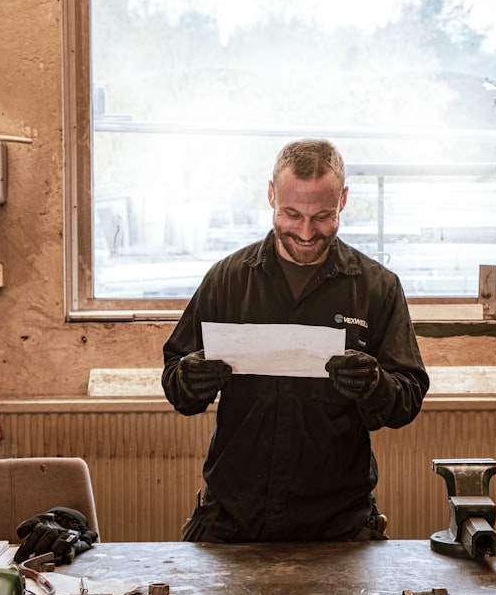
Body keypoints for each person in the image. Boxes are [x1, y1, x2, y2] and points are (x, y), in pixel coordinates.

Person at [162, 138, 429, 543]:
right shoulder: (228, 280)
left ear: (342, 200)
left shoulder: (377, 288)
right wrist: (188, 378)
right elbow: (177, 385)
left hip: (338, 525)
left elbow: (407, 397)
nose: (306, 232)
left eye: (321, 216)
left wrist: (375, 385)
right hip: (232, 520)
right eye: (291, 214)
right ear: (271, 195)